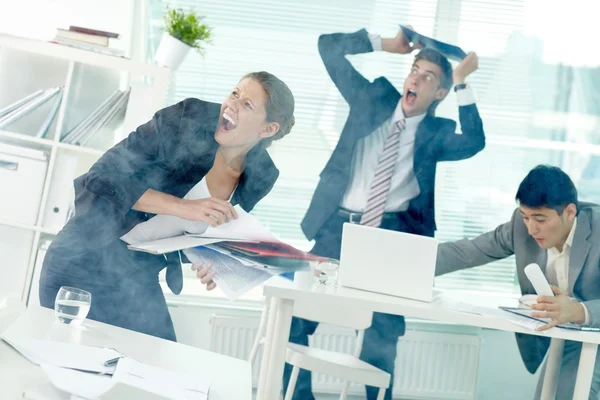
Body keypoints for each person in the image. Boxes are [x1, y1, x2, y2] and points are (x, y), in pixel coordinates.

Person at [39, 71, 296, 342]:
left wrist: (209, 260)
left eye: (247, 105)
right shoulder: (188, 118)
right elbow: (102, 178)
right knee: (69, 358)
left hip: (137, 273)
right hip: (83, 256)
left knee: (157, 363)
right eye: (234, 93)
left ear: (267, 129)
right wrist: (184, 207)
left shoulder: (262, 176)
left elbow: (207, 234)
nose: (232, 104)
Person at [436, 165, 600, 399]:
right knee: (548, 394)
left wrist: (578, 310)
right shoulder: (521, 227)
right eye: (526, 217)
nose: (532, 228)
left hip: (595, 332)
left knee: (572, 393)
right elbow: (470, 250)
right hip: (565, 337)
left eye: (540, 219)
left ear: (570, 212)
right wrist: (411, 264)